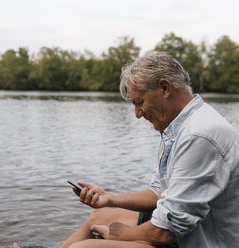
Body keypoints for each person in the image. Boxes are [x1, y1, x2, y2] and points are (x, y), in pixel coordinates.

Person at [13, 51, 239, 248]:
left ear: (164, 88)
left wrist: (124, 235)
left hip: (201, 242)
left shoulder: (198, 135)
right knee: (99, 215)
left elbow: (167, 230)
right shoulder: (178, 125)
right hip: (184, 232)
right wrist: (109, 199)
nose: (138, 114)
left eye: (139, 103)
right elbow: (158, 193)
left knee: (84, 247)